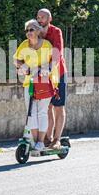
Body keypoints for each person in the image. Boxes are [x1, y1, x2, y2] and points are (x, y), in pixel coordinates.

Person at [13, 19, 59, 151]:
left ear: (38, 31)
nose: (28, 32)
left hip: (45, 82)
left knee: (42, 112)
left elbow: (54, 59)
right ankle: (34, 141)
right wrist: (22, 66)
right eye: (27, 30)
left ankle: (41, 142)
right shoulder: (24, 45)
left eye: (31, 29)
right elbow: (15, 59)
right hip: (30, 82)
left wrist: (48, 68)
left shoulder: (46, 45)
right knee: (31, 112)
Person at [37, 9, 67, 150]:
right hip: (42, 75)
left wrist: (50, 67)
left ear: (50, 18)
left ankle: (57, 139)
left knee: (58, 106)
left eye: (43, 17)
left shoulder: (56, 32)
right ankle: (47, 138)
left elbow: (58, 51)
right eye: (38, 17)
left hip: (58, 73)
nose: (40, 19)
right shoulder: (36, 31)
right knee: (47, 107)